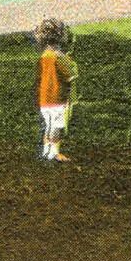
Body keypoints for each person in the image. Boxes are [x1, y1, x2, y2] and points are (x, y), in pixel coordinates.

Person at [35, 17, 77, 162]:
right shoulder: (59, 57)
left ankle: (47, 152)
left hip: (44, 99)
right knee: (57, 128)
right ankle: (53, 153)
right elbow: (71, 75)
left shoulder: (43, 56)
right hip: (57, 98)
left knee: (49, 126)